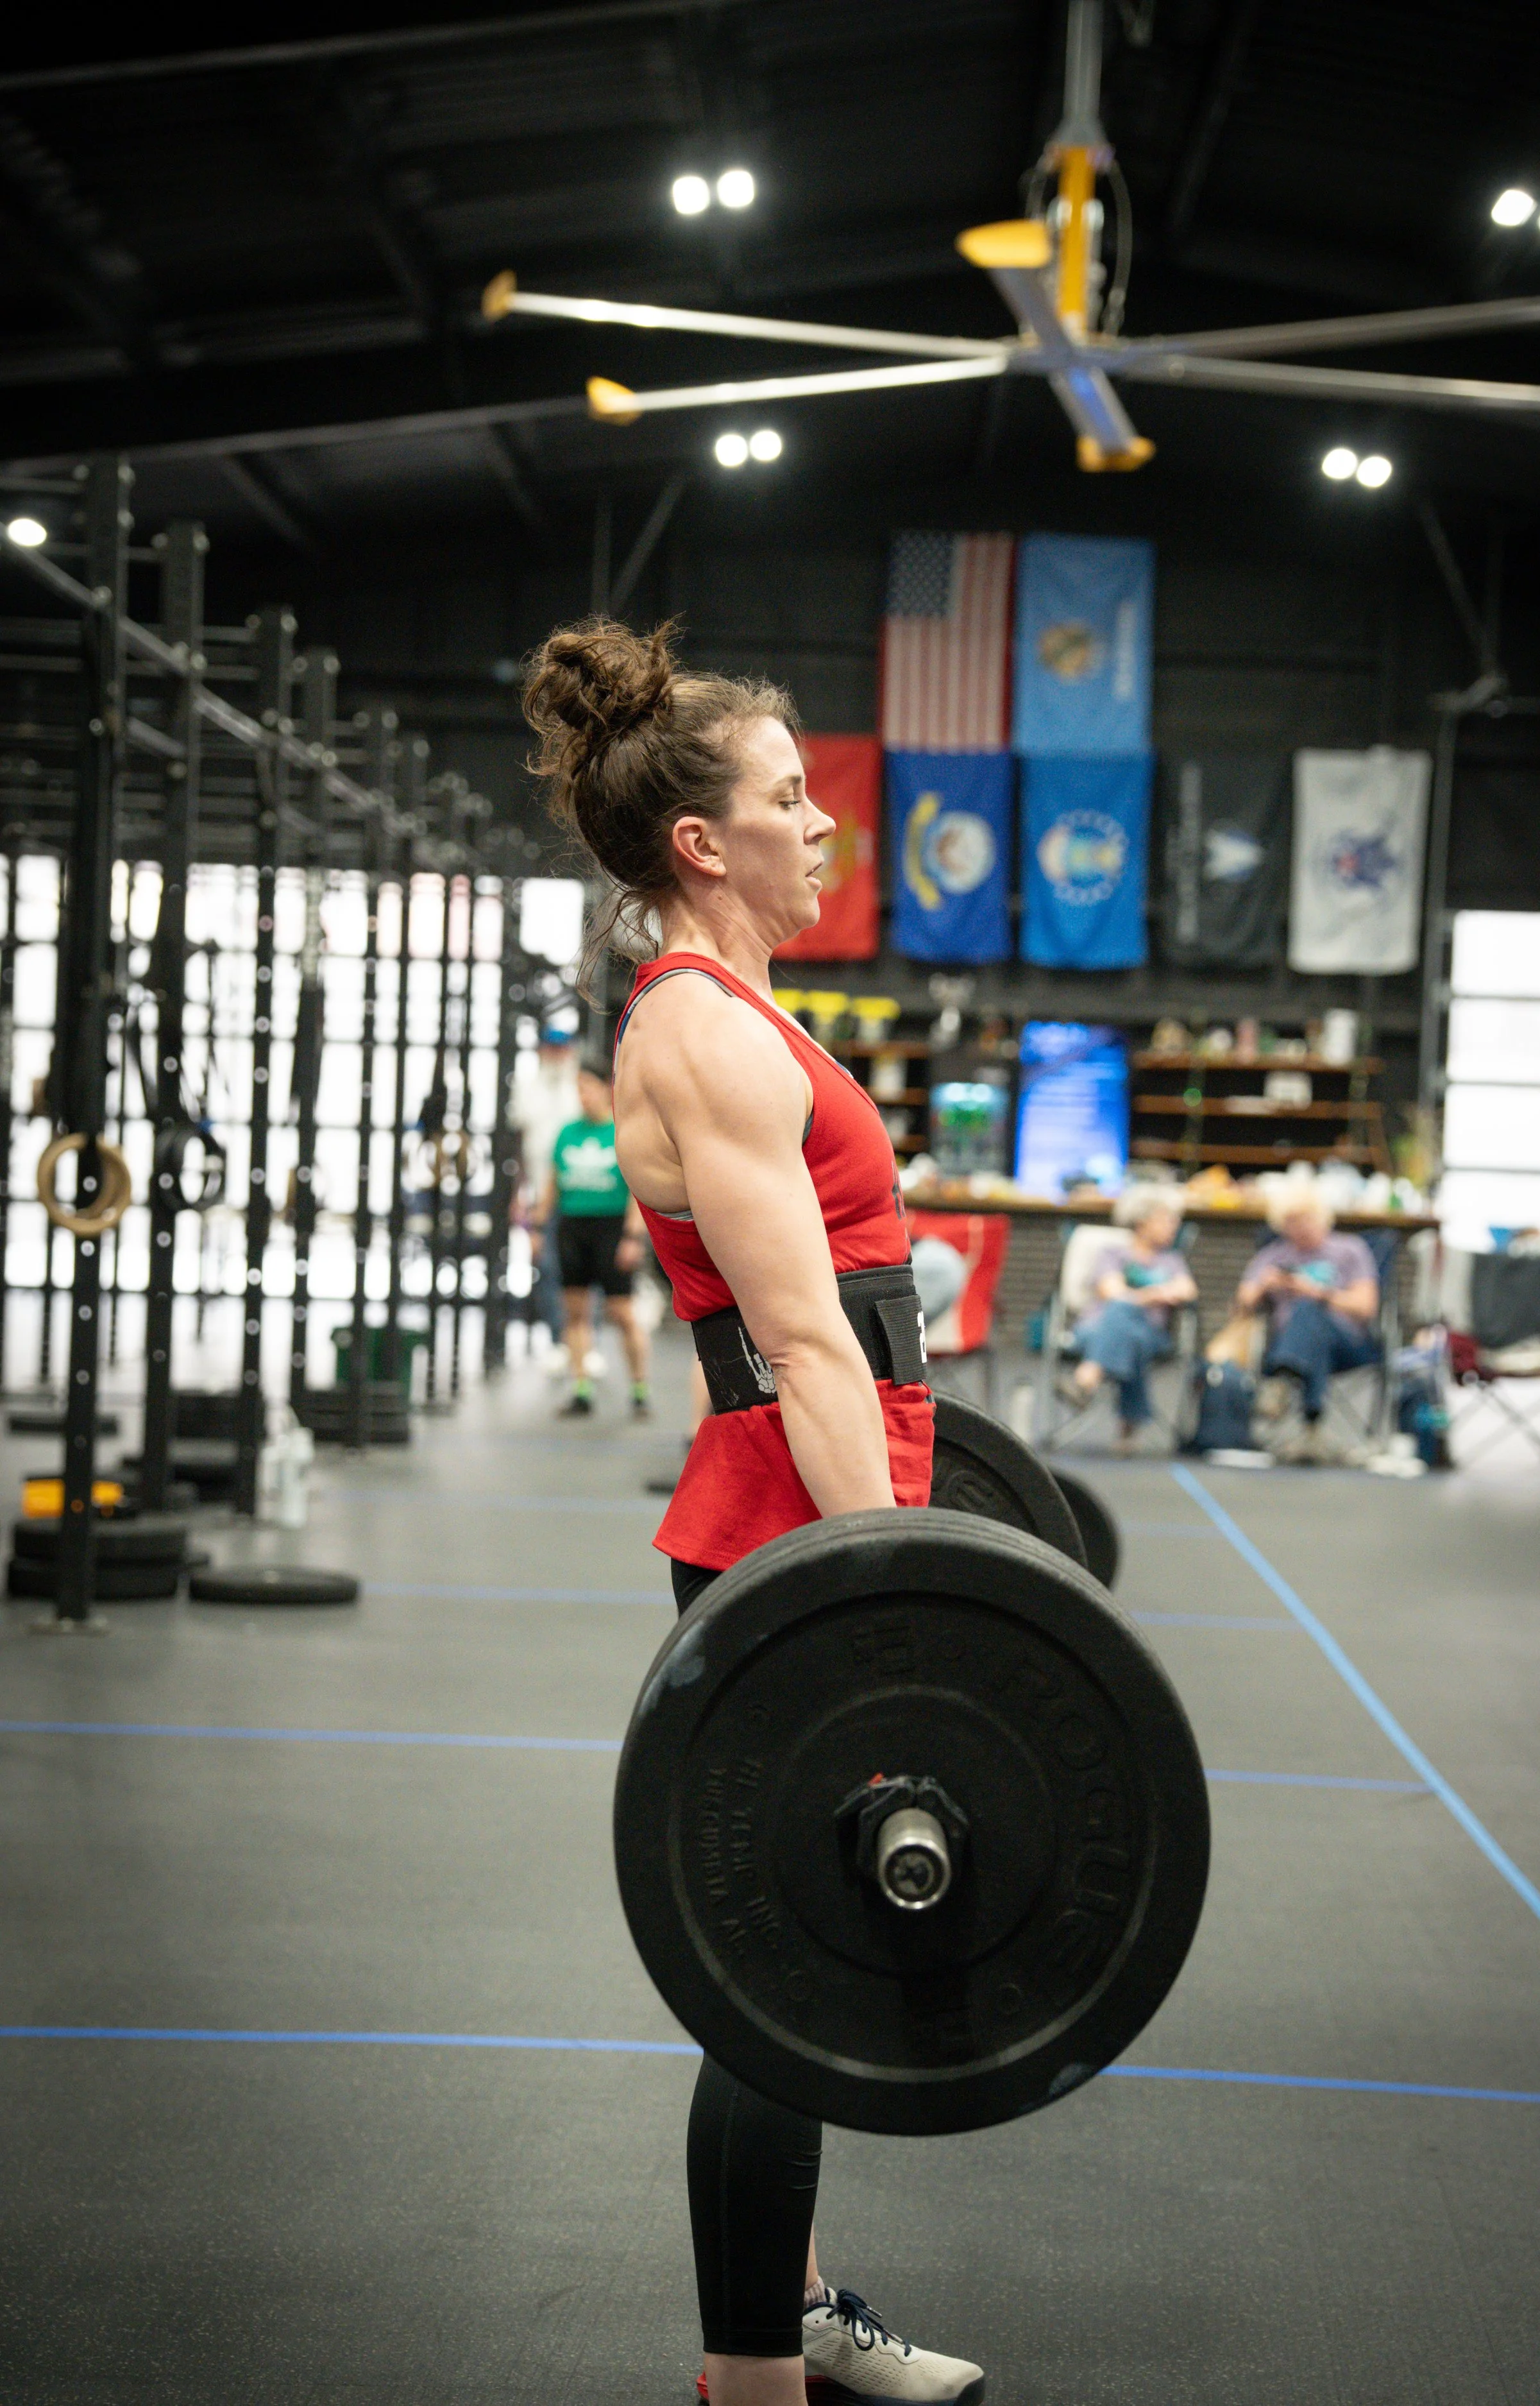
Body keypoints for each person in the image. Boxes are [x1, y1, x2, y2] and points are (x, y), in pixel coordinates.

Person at [522, 617, 983, 2406]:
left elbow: (849, 1323)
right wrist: (884, 1583)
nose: (824, 824)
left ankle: (787, 2312)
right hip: (787, 1530)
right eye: (792, 798)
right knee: (784, 1975)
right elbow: (800, 1337)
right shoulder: (706, 1036)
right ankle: (752, 2374)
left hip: (813, 1498)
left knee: (803, 1942)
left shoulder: (745, 1015)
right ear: (703, 842)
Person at [534, 1056, 654, 1419]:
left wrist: (633, 1236)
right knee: (575, 1313)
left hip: (612, 1227)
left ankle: (639, 1390)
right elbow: (552, 1184)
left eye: (587, 1086)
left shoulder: (622, 1131)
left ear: (606, 1088)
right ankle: (582, 1390)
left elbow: (639, 1190)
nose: (581, 1094)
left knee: (622, 1313)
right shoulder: (567, 1133)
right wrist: (537, 1228)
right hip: (572, 1226)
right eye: (578, 1087)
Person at [1236, 1183, 1380, 1461]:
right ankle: (1311, 1431)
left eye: (1305, 1219)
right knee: (1313, 1340)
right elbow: (1243, 1305)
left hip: (1347, 1342)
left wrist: (1317, 1293)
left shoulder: (1350, 1250)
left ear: (1322, 1217)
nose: (1299, 1228)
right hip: (1297, 1345)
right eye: (1291, 1222)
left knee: (1307, 1310)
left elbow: (1366, 1307)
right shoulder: (1274, 1256)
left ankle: (1281, 1381)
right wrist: (1263, 1286)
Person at [1065, 1188, 1196, 1450]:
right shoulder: (1114, 1254)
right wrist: (1158, 1294)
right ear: (1142, 1223)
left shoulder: (1172, 1260)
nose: (1174, 1227)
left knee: (1126, 1319)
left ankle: (1087, 1376)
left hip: (1151, 1335)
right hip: (1097, 1328)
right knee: (1125, 1324)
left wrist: (1138, 1295)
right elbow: (1110, 1292)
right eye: (1166, 1220)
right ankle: (1128, 1429)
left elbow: (1188, 1291)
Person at [507, 1018, 580, 1352]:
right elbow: (520, 1147)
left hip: (583, 1191)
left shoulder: (582, 1086)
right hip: (541, 1193)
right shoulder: (526, 1088)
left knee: (581, 1268)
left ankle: (584, 1343)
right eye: (551, 1047)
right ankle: (558, 1341)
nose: (557, 1053)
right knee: (548, 1265)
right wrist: (519, 1196)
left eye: (562, 1046)